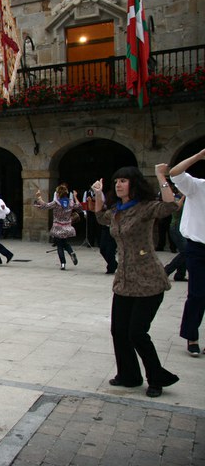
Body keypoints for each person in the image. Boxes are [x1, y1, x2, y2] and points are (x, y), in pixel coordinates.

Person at [92, 164, 179, 397]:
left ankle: (156, 378)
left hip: (148, 279)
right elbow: (100, 217)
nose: (118, 185)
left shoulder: (145, 207)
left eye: (123, 181)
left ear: (134, 184)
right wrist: (98, 194)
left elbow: (170, 205)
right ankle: (129, 375)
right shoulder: (117, 211)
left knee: (137, 333)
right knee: (119, 330)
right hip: (124, 279)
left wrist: (161, 176)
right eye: (116, 181)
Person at [169, 149, 205, 357]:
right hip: (198, 247)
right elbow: (175, 173)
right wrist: (199, 155)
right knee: (197, 294)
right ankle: (192, 336)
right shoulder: (197, 186)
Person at [33, 185, 80, 270]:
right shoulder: (70, 202)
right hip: (67, 227)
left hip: (58, 227)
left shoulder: (56, 203)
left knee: (59, 245)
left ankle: (63, 263)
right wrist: (75, 196)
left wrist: (39, 197)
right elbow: (79, 206)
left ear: (58, 193)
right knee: (65, 243)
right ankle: (71, 252)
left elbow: (45, 205)